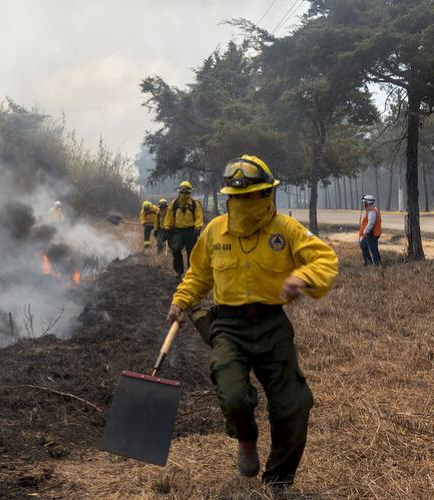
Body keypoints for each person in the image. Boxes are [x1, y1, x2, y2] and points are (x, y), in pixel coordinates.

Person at [165, 155, 338, 489]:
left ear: (266, 194)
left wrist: (303, 276)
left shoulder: (285, 229)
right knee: (233, 397)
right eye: (238, 197)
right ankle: (246, 438)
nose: (246, 203)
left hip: (272, 326)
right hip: (229, 327)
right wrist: (181, 300)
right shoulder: (216, 231)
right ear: (230, 197)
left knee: (294, 406)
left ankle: (279, 482)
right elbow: (198, 273)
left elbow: (324, 258)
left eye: (252, 196)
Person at [163, 181, 203, 279]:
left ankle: (190, 273)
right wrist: (167, 227)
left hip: (191, 231)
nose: (184, 195)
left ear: (190, 193)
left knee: (192, 252)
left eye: (186, 193)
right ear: (179, 192)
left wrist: (198, 227)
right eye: (182, 193)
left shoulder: (194, 204)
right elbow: (169, 216)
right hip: (178, 231)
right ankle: (178, 271)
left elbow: (199, 216)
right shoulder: (174, 204)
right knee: (175, 249)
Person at [359, 194, 382, 266]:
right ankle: (368, 262)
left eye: (365, 203)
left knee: (373, 249)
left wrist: (365, 231)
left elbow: (371, 224)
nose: (364, 205)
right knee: (363, 244)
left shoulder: (372, 212)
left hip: (372, 234)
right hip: (371, 234)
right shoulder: (372, 210)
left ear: (368, 203)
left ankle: (377, 264)